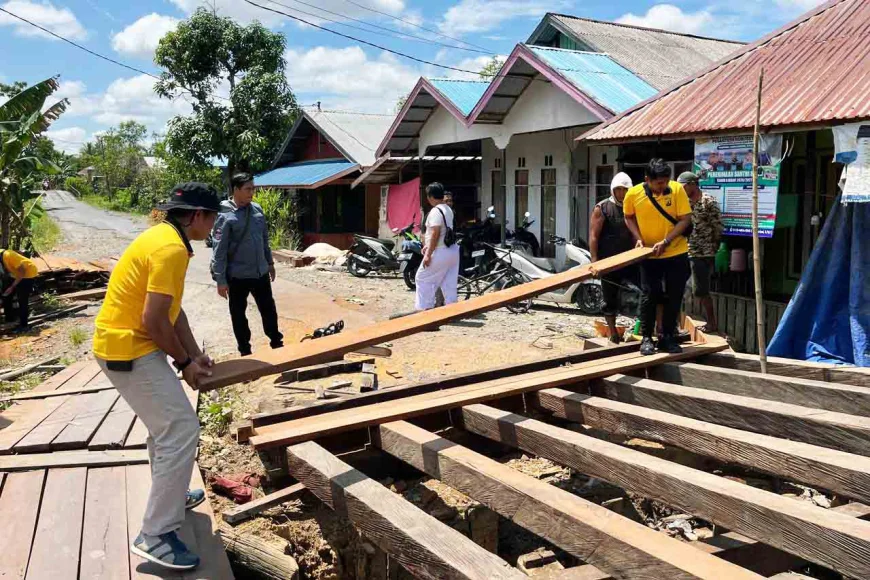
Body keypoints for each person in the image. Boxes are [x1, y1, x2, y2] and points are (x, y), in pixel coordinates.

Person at [93, 183, 220, 570]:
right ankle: (155, 533)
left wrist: (195, 354)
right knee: (180, 429)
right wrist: (183, 365)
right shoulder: (169, 249)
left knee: (163, 427)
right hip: (129, 348)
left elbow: (172, 312)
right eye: (212, 217)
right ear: (196, 215)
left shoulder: (166, 239)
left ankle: (173, 494)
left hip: (128, 343)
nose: (214, 225)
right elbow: (153, 321)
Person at [623, 159, 693, 356]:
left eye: (665, 182)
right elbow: (628, 216)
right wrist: (638, 238)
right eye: (659, 183)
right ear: (647, 180)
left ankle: (667, 337)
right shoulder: (633, 194)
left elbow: (685, 220)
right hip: (649, 254)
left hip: (676, 251)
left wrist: (666, 241)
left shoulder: (677, 189)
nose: (663, 187)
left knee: (674, 295)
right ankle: (646, 338)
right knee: (649, 294)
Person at [211, 173, 283, 356]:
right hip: (237, 276)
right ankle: (245, 349)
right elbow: (218, 251)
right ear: (235, 190)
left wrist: (270, 263)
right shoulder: (225, 215)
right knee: (238, 315)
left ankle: (276, 341)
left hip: (260, 273)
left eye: (253, 188)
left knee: (268, 309)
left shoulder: (257, 210)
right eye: (248, 189)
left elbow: (264, 240)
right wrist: (220, 280)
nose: (252, 193)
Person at [589, 173, 639, 343]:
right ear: (613, 190)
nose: (621, 193)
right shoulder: (602, 208)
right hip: (608, 261)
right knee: (609, 299)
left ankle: (647, 329)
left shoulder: (634, 206)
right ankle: (613, 333)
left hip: (631, 260)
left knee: (646, 291)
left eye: (625, 190)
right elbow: (594, 236)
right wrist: (595, 262)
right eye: (618, 189)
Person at [678, 171, 724, 333]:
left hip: (702, 252)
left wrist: (713, 248)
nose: (681, 189)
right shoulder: (684, 203)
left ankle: (712, 323)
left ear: (692, 184)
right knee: (680, 288)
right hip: (684, 250)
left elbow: (718, 227)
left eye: (683, 186)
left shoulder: (708, 202)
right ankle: (680, 322)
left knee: (701, 290)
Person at [415, 182, 459, 310]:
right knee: (448, 283)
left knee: (422, 279)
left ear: (430, 196)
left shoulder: (435, 211)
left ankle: (424, 310)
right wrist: (428, 246)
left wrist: (428, 254)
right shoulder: (448, 209)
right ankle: (452, 310)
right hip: (452, 250)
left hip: (440, 251)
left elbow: (435, 232)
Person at [0, 248, 38, 331]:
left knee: (22, 300)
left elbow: (22, 271)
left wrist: (12, 286)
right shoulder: (2, 255)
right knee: (7, 295)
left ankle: (24, 326)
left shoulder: (8, 256)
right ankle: (10, 319)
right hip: (16, 274)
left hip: (28, 274)